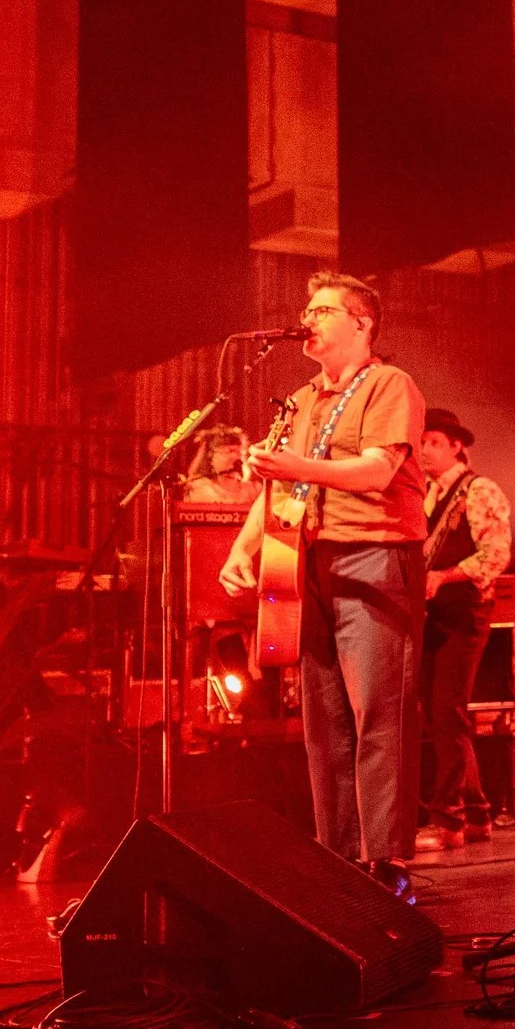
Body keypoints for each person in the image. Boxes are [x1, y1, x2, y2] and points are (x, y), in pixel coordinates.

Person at [220, 271, 428, 897]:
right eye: (306, 309)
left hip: (375, 557)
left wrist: (297, 466)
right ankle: (337, 856)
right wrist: (243, 547)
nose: (307, 318)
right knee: (325, 718)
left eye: (322, 309)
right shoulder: (302, 397)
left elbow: (375, 472)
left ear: (361, 322)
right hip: (308, 561)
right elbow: (280, 483)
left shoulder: (390, 384)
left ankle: (385, 859)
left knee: (378, 713)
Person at [415, 407, 512, 847]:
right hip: (433, 616)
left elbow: (495, 554)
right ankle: (475, 813)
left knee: (446, 712)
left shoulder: (479, 489)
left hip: (465, 613)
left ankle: (449, 818)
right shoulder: (424, 493)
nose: (425, 450)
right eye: (421, 442)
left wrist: (444, 577)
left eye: (434, 442)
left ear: (457, 447)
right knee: (441, 716)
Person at [183, 425, 258, 505]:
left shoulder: (253, 491)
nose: (237, 457)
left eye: (239, 452)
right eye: (230, 451)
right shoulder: (198, 488)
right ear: (210, 456)